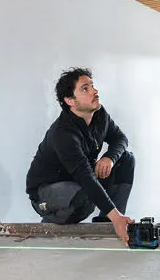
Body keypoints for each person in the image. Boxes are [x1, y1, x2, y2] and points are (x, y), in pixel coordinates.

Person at [26, 67, 136, 245]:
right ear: (70, 100)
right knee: (86, 195)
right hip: (45, 192)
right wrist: (117, 216)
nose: (94, 91)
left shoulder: (99, 115)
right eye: (85, 88)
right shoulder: (63, 133)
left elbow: (120, 139)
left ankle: (108, 224)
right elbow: (85, 177)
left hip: (77, 180)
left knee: (126, 160)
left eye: (92, 86)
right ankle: (51, 222)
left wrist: (109, 157)